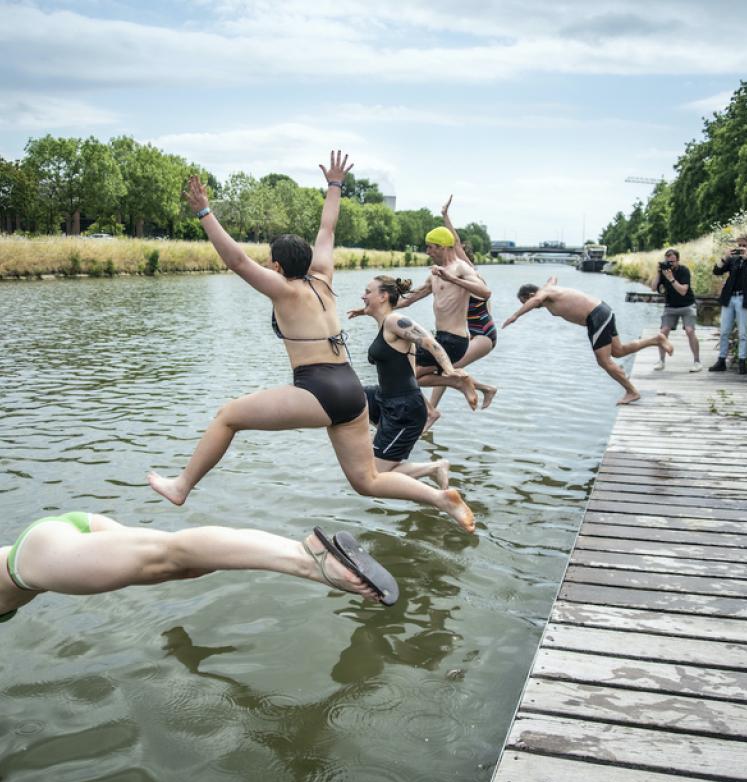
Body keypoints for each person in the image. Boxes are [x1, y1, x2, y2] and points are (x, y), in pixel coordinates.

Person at [148, 151, 474, 534]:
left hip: (318, 387)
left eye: (271, 263)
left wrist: (205, 213)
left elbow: (236, 260)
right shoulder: (322, 277)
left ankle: (182, 485)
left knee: (228, 417)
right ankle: (440, 498)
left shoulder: (282, 289)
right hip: (350, 389)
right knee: (366, 480)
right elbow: (327, 230)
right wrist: (335, 185)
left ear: (278, 266)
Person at [0, 511, 401, 623]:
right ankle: (308, 556)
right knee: (179, 564)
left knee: (170, 555)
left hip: (32, 562)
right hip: (63, 534)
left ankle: (310, 559)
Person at [347, 275, 467, 488]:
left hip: (404, 409)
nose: (362, 295)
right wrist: (364, 310)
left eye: (367, 292)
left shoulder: (395, 321)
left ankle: (435, 467)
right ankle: (378, 438)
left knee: (372, 477)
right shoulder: (385, 324)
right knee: (346, 398)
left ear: (383, 296)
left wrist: (448, 369)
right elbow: (406, 366)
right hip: (385, 397)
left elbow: (430, 342)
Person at [503, 276, 674, 405]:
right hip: (601, 311)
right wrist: (550, 282)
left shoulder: (542, 294)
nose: (531, 307)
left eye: (524, 302)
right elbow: (553, 277)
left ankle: (631, 391)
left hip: (596, 316)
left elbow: (536, 299)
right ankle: (656, 339)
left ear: (531, 295)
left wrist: (515, 315)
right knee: (618, 351)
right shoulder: (548, 289)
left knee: (604, 361)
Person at [396, 225, 496, 414]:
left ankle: (453, 388)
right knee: (405, 367)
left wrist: (452, 279)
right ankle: (460, 386)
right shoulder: (437, 273)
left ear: (442, 247)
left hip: (456, 339)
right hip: (441, 337)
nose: (427, 252)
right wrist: (377, 307)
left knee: (411, 375)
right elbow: (411, 298)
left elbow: (486, 291)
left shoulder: (460, 269)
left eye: (430, 247)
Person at [426, 196, 498, 430]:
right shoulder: (455, 272)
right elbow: (454, 243)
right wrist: (445, 216)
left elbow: (454, 245)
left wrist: (446, 218)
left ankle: (432, 411)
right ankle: (484, 389)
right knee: (445, 366)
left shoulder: (470, 276)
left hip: (484, 334)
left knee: (447, 367)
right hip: (467, 333)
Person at [709, 234, 747, 374]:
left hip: (743, 299)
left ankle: (742, 362)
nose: (741, 248)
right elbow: (717, 271)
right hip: (729, 298)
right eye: (739, 245)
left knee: (743, 333)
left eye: (744, 245)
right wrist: (725, 257)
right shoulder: (733, 260)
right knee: (724, 331)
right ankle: (721, 361)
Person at [651, 248, 701, 372]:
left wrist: (671, 278)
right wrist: (659, 273)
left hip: (687, 305)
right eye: (668, 262)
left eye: (673, 262)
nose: (670, 264)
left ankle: (697, 361)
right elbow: (653, 288)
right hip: (671, 306)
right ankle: (661, 361)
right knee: (663, 332)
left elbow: (683, 291)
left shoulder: (684, 271)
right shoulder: (664, 272)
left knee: (690, 331)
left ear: (677, 260)